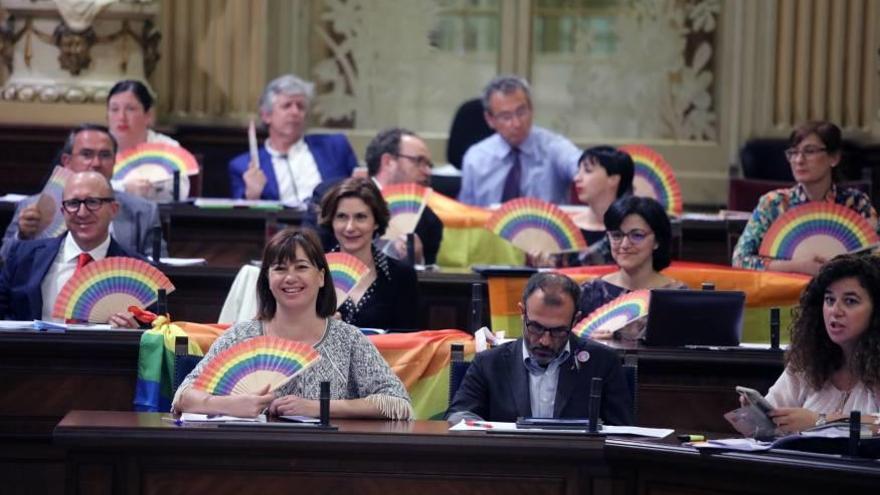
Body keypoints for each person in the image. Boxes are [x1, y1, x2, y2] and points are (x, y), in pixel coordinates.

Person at [173, 228, 412, 420]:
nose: (290, 278)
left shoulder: (348, 339)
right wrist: (229, 405)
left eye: (301, 267)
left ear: (320, 277)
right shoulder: (240, 336)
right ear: (267, 278)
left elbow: (396, 401)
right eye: (279, 269)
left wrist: (321, 407)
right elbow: (183, 397)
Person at [445, 272, 633, 425]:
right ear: (522, 313)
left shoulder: (602, 362)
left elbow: (622, 432)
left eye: (558, 331)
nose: (545, 341)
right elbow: (458, 415)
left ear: (575, 320)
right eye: (536, 327)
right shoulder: (489, 363)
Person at [732, 121, 879, 275]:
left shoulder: (856, 203)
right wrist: (797, 266)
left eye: (809, 151)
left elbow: (876, 256)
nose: (799, 160)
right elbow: (740, 260)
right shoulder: (773, 204)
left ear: (834, 158)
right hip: (785, 293)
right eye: (793, 153)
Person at [1, 124, 166, 261]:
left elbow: (159, 268)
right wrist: (22, 236)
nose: (96, 163)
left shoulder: (144, 212)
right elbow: (5, 261)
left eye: (105, 155)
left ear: (114, 161)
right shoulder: (32, 207)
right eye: (86, 154)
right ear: (67, 161)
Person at [0, 171, 141, 327]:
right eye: (73, 203)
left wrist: (134, 333)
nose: (82, 213)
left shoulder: (138, 270)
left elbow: (156, 335)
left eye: (93, 202)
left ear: (114, 209)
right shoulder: (23, 256)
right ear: (63, 211)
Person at [763, 254, 880, 433]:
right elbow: (769, 420)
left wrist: (820, 421)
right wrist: (756, 413)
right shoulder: (808, 359)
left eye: (850, 301)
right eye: (829, 300)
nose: (835, 310)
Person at [228, 74, 358, 205]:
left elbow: (361, 190)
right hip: (280, 225)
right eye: (287, 105)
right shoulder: (243, 166)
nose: (295, 112)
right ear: (266, 115)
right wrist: (252, 196)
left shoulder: (334, 147)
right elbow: (240, 218)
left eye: (300, 106)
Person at [458, 75, 581, 207]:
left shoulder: (554, 148)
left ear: (531, 109)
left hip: (544, 227)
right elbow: (465, 215)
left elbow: (582, 166)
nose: (516, 123)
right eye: (506, 117)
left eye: (521, 112)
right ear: (490, 120)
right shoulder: (475, 158)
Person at [578, 196, 687, 340]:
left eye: (637, 235)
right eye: (616, 235)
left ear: (657, 241)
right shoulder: (590, 292)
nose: (624, 244)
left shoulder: (678, 296)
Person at [319, 178, 419, 331]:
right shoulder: (314, 273)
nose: (350, 227)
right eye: (342, 217)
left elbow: (412, 343)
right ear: (331, 221)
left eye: (360, 217)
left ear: (376, 222)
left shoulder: (401, 275)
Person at [531, 146, 634, 267]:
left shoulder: (631, 230)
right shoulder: (564, 227)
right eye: (578, 171)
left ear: (613, 179)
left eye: (588, 170)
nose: (577, 178)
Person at [106, 79, 190, 202]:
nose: (121, 117)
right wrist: (123, 188)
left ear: (148, 115)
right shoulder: (96, 145)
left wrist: (151, 189)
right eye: (114, 109)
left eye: (130, 109)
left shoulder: (167, 147)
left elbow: (181, 191)